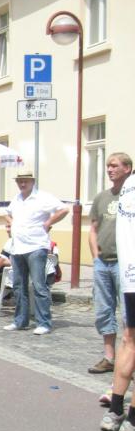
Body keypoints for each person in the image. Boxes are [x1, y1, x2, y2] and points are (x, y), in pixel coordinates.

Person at [4, 169, 69, 335]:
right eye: (19, 181)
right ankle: (20, 321)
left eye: (25, 181)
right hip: (17, 247)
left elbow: (64, 209)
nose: (22, 183)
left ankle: (44, 322)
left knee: (39, 286)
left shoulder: (43, 197)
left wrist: (48, 222)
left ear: (32, 181)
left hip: (36, 246)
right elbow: (7, 213)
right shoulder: (17, 199)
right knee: (19, 286)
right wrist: (12, 224)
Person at [99, 168, 135, 431]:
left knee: (129, 340)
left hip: (130, 274)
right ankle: (132, 421)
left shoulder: (129, 186)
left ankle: (114, 411)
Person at [87, 153, 132, 374]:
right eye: (108, 166)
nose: (109, 169)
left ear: (127, 168)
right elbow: (93, 229)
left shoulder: (131, 196)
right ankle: (109, 358)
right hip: (103, 263)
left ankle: (129, 361)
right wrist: (96, 257)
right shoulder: (102, 197)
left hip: (126, 266)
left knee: (128, 313)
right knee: (104, 311)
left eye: (114, 166)